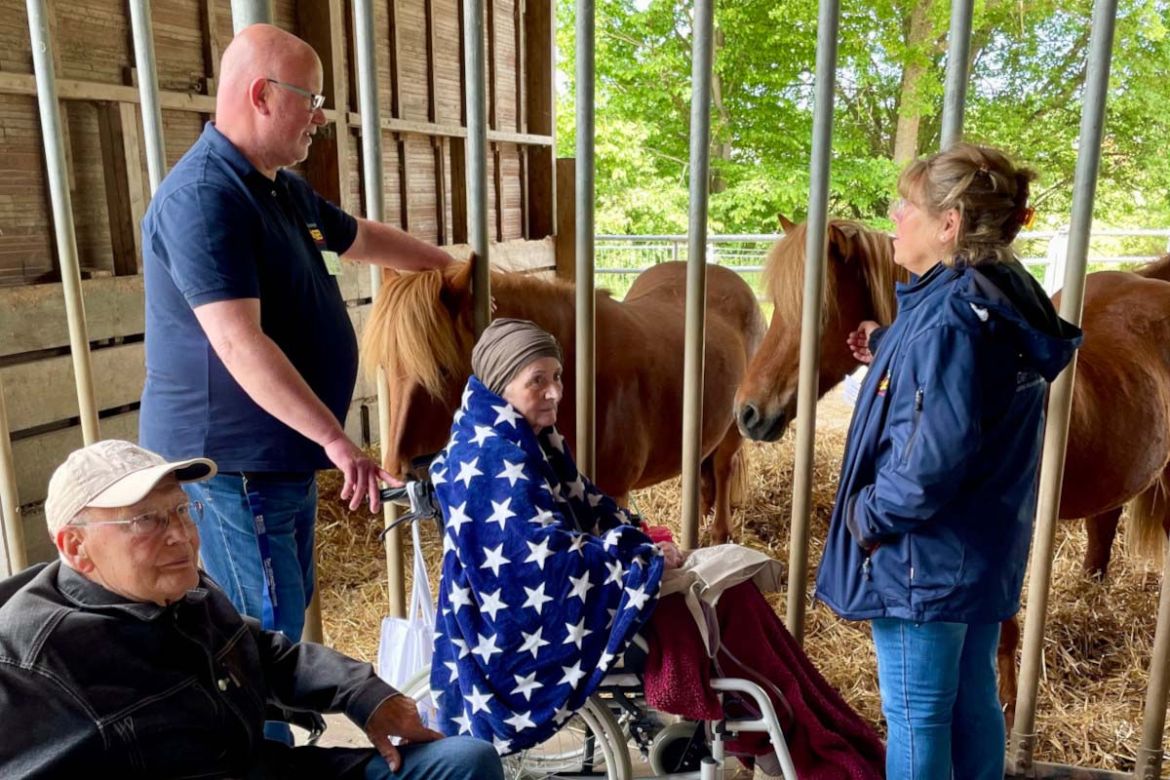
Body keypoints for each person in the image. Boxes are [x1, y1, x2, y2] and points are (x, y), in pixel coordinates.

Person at [428, 318, 885, 776]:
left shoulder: (524, 435)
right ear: (500, 383)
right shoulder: (493, 457)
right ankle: (789, 741)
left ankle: (794, 729)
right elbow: (540, 564)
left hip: (584, 585)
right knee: (723, 607)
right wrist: (637, 556)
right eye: (537, 382)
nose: (554, 393)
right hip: (532, 618)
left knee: (735, 589)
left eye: (557, 377)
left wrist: (639, 538)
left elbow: (589, 508)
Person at [139, 22, 450, 654]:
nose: (320, 116)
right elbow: (238, 343)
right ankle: (262, 750)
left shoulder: (277, 188)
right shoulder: (205, 198)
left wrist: (452, 269)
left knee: (281, 611)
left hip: (279, 457)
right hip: (233, 466)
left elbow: (360, 236)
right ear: (261, 94)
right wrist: (336, 440)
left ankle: (272, 744)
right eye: (310, 99)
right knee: (260, 633)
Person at [0, 439, 503, 780]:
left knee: (464, 760)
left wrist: (363, 693)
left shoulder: (187, 592)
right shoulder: (35, 661)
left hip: (266, 767)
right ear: (75, 547)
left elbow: (266, 654)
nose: (179, 534)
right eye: (145, 520)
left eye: (181, 509)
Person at [816, 143, 1082, 780]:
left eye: (906, 207)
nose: (893, 221)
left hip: (923, 560)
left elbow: (930, 462)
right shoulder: (998, 294)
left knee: (915, 716)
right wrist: (889, 342)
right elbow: (968, 389)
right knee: (971, 703)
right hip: (981, 546)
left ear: (950, 224)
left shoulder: (947, 323)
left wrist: (867, 516)